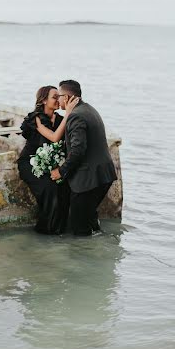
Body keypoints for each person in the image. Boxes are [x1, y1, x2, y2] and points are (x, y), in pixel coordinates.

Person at [50, 80, 117, 236]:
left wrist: (61, 171)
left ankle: (83, 255)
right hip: (103, 175)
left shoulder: (75, 116)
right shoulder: (90, 109)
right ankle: (97, 250)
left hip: (88, 180)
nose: (58, 100)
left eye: (59, 96)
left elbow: (78, 150)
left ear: (66, 97)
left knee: (79, 226)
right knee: (89, 218)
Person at [17, 85, 78, 234]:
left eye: (59, 96)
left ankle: (59, 229)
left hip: (51, 164)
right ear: (44, 100)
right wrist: (69, 113)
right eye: (54, 97)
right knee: (49, 188)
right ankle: (45, 230)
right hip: (29, 163)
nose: (58, 100)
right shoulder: (36, 118)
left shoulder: (60, 119)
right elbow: (54, 137)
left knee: (63, 187)